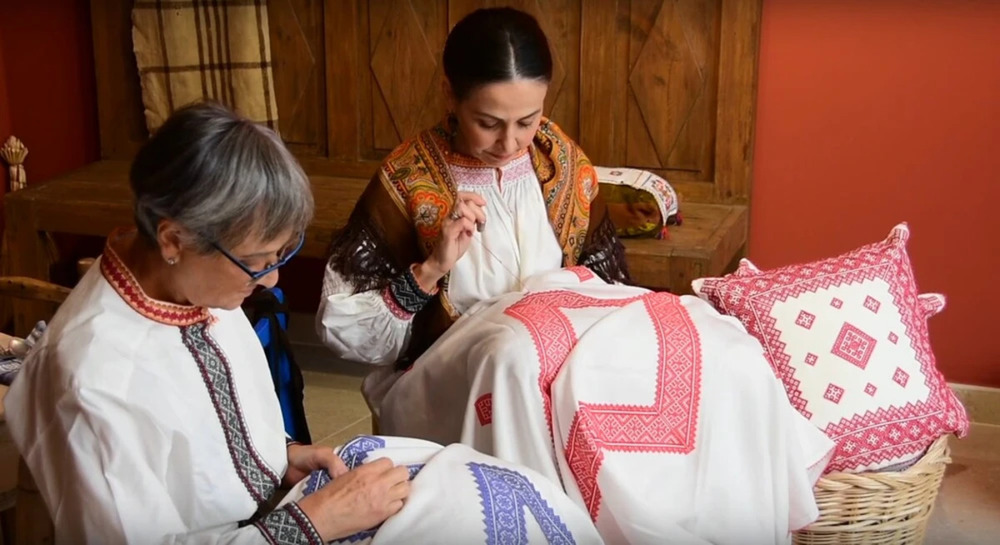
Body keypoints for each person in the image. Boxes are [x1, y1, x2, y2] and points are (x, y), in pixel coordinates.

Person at [317, 8, 837, 545]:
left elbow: (605, 283)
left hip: (560, 344)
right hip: (456, 371)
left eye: (529, 119)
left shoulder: (561, 161)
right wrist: (430, 269)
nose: (511, 142)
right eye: (488, 122)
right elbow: (345, 334)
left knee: (713, 339)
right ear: (450, 94)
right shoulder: (408, 179)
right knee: (514, 358)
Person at [3, 102, 601, 545]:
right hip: (280, 530)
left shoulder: (186, 285)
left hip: (284, 503)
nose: (271, 283)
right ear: (173, 239)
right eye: (258, 264)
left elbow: (202, 435)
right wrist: (314, 521)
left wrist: (282, 455)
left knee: (517, 497)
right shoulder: (92, 382)